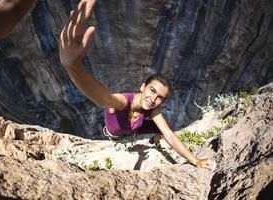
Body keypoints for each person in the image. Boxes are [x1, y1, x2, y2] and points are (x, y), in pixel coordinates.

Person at [59, 0, 215, 170]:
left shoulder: (151, 108)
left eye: (160, 98)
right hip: (117, 136)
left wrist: (195, 160)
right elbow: (103, 98)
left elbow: (170, 135)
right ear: (143, 86)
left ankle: (155, 139)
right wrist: (73, 67)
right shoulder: (123, 102)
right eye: (152, 90)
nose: (153, 99)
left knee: (166, 127)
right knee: (160, 126)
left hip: (135, 130)